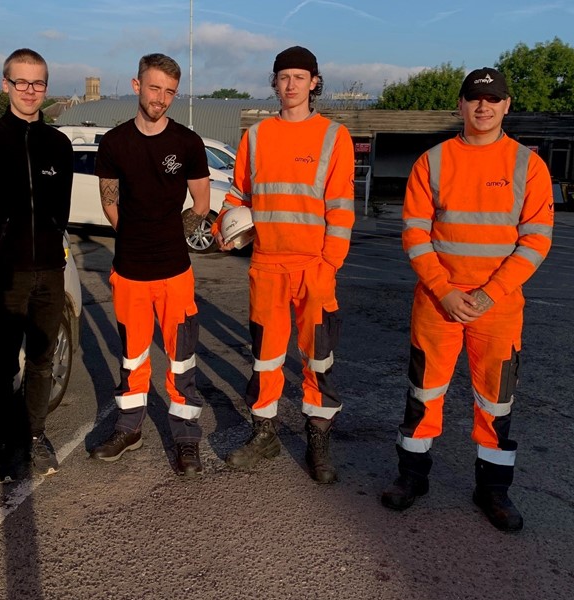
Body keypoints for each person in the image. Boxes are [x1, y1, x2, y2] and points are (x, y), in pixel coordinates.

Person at [381, 67, 554, 532]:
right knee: (423, 394)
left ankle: (493, 491)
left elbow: (536, 241)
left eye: (492, 99)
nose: (483, 107)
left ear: (506, 105)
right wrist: (445, 290)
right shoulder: (433, 161)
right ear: (460, 105)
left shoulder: (527, 165)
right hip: (438, 304)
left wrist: (488, 294)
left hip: (496, 309)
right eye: (475, 99)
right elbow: (415, 234)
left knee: (496, 402)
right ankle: (411, 477)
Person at [214, 46, 355, 483]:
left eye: (299, 76)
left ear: (315, 82)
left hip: (314, 267)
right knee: (265, 358)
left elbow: (342, 209)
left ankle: (318, 439)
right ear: (274, 82)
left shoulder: (334, 136)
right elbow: (239, 195)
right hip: (267, 267)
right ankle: (264, 433)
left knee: (318, 359)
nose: (291, 84)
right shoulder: (256, 136)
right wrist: (225, 224)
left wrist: (329, 264)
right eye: (283, 76)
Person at [91, 53, 211, 477]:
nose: (161, 98)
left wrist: (171, 233)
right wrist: (135, 235)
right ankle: (129, 427)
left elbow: (201, 201)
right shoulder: (114, 143)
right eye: (155, 87)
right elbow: (110, 202)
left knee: (181, 360)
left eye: (170, 92)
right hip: (129, 272)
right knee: (132, 357)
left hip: (175, 272)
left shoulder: (188, 143)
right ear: (137, 84)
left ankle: (185, 438)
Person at [0, 49, 73, 482]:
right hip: (7, 274)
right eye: (21, 82)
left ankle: (33, 437)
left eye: (38, 83)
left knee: (42, 360)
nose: (30, 91)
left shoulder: (58, 145)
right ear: (6, 83)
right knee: (4, 363)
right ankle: (4, 443)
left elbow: (59, 210)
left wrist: (47, 243)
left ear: (46, 87)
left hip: (48, 268)